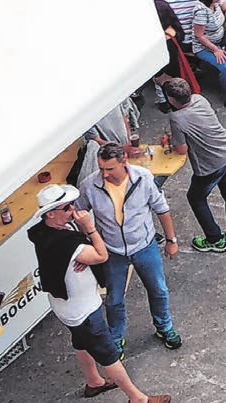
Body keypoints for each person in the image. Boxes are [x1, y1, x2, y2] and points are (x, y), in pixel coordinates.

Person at [29, 186, 172, 403]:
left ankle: (93, 382)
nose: (73, 210)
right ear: (51, 213)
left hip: (65, 307)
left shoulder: (42, 232)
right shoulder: (68, 243)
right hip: (84, 310)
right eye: (66, 207)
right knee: (110, 356)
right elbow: (101, 255)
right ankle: (138, 400)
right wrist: (90, 229)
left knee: (80, 342)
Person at [76, 143, 183, 350]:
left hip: (145, 246)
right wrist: (84, 249)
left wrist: (172, 241)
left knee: (158, 290)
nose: (104, 174)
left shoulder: (143, 178)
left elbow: (162, 209)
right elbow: (79, 216)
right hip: (112, 252)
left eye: (109, 169)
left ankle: (164, 326)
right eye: (101, 169)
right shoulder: (89, 185)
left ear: (123, 161)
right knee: (114, 299)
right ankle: (116, 338)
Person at [159, 78, 226, 254]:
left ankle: (214, 239)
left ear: (171, 100)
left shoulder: (176, 118)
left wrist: (173, 140)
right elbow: (197, 125)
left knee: (196, 198)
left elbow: (181, 150)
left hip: (210, 165)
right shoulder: (200, 99)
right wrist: (175, 135)